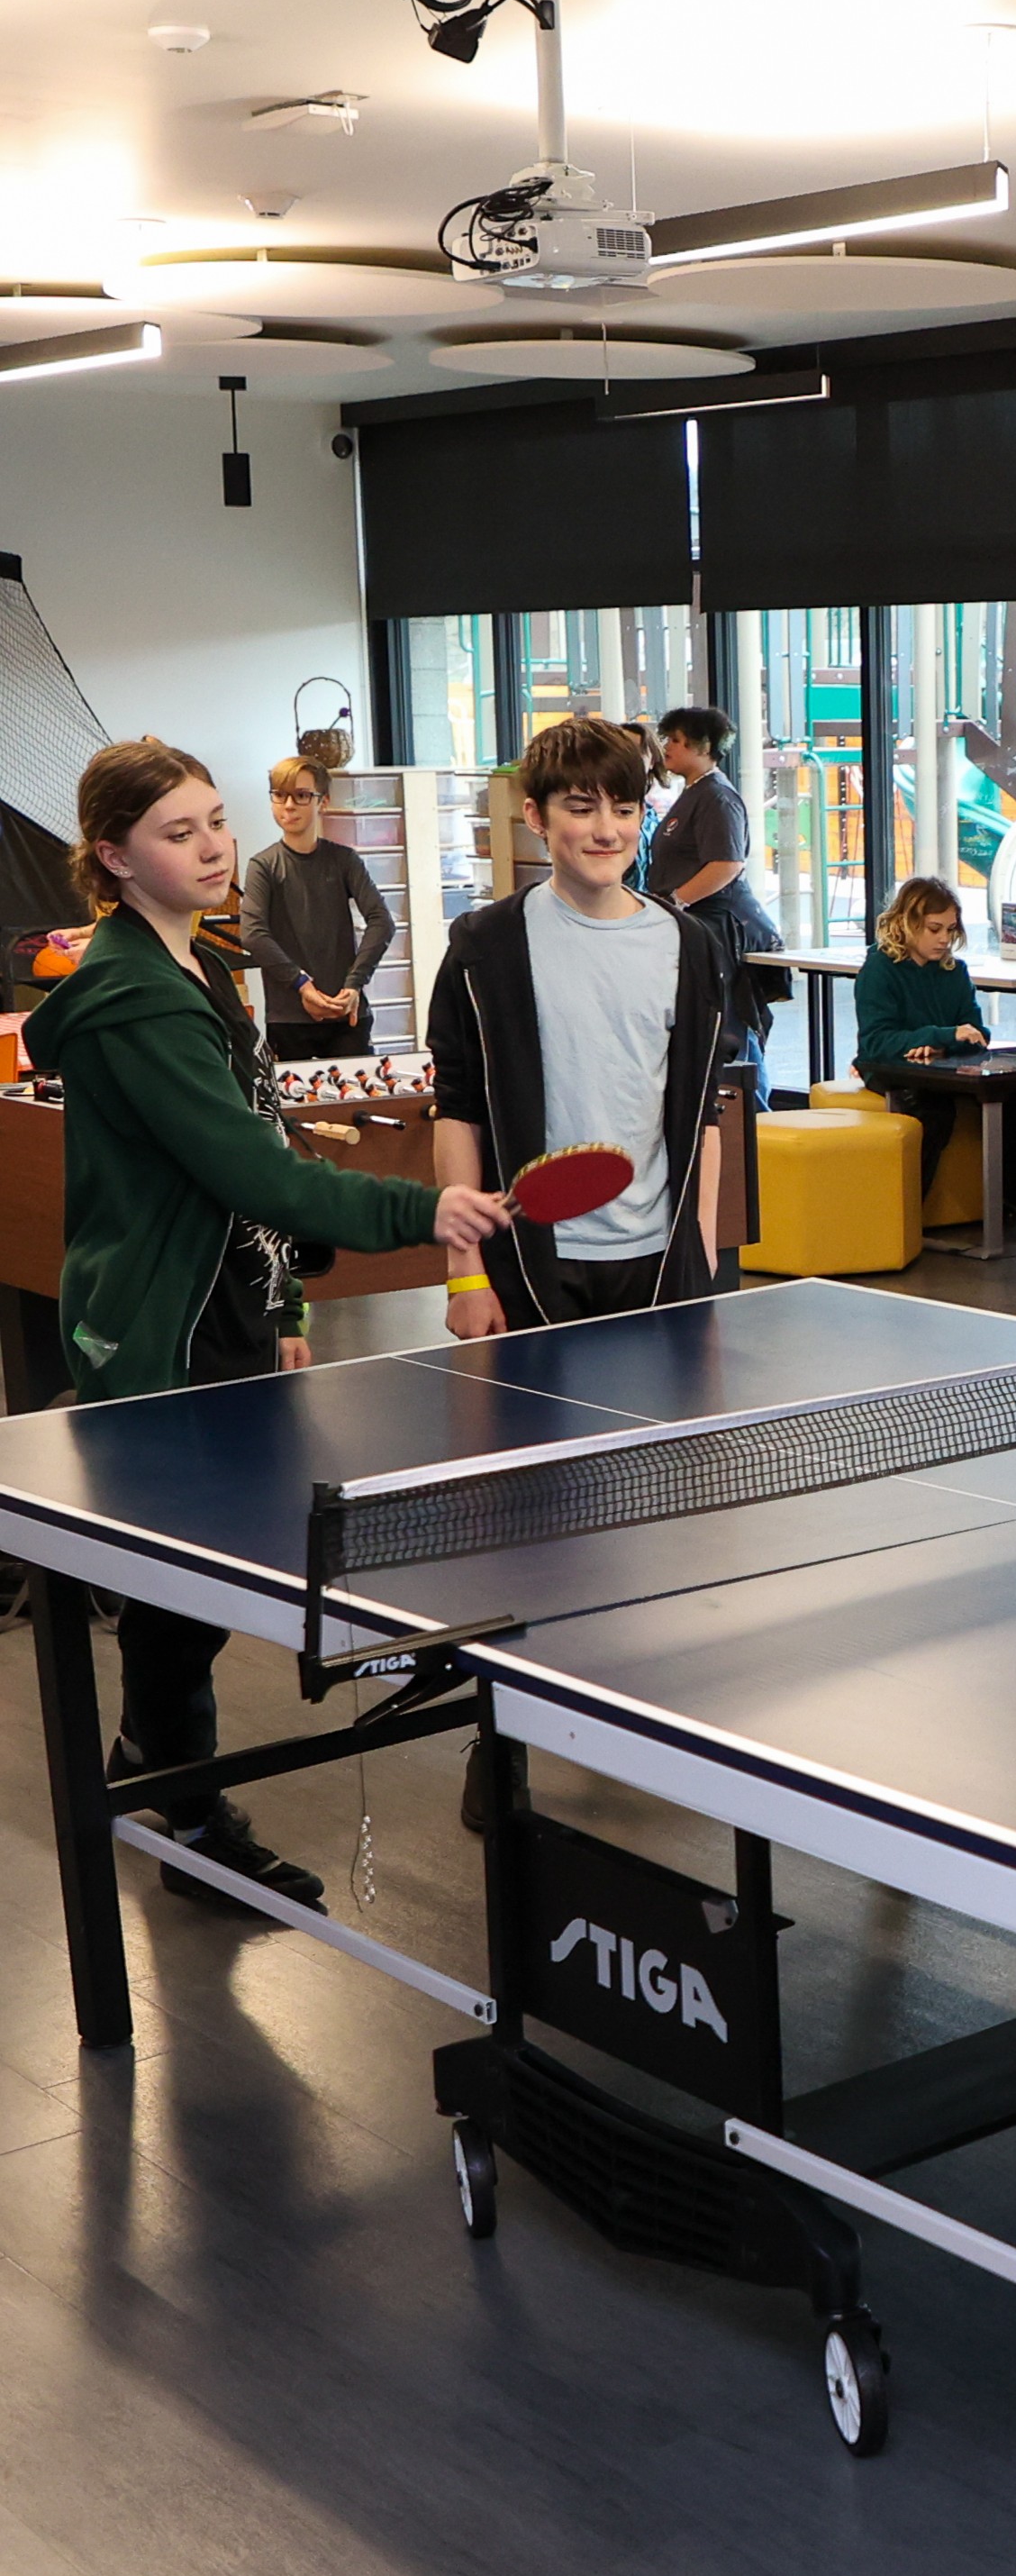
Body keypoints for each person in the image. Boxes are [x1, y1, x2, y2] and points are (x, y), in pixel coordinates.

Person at [24, 740, 506, 1908]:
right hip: (152, 1330)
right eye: (176, 832)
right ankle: (179, 1804)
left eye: (213, 821)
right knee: (174, 1583)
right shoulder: (138, 998)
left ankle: (157, 1771)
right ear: (113, 858)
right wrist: (423, 1206)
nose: (211, 846)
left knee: (187, 1587)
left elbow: (251, 1146)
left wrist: (279, 1297)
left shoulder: (204, 963)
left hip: (219, 1308)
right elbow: (256, 1168)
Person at [427, 712, 727, 1334]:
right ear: (536, 816)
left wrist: (698, 1248)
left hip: (660, 1263)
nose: (606, 831)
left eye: (623, 809)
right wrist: (466, 1271)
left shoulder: (689, 946)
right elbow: (459, 1110)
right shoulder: (484, 947)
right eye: (581, 808)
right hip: (529, 1264)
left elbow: (703, 1114)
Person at [854, 876, 1016, 1212]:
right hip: (897, 1073)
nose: (945, 939)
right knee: (933, 1112)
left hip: (946, 1069)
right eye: (934, 929)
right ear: (907, 923)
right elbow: (877, 1042)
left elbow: (976, 1034)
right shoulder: (879, 970)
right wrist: (941, 1036)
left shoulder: (954, 971)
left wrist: (946, 1042)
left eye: (951, 929)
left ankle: (1011, 1199)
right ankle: (907, 1214)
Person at [647, 704, 785, 1083]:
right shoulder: (693, 793)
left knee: (730, 1030)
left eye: (675, 740)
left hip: (717, 927)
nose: (667, 748)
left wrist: (674, 902)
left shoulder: (717, 797)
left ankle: (754, 1124)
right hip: (694, 924)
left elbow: (726, 865)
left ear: (703, 745)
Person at [241, 752, 394, 1058]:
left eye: (301, 796)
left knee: (356, 1101)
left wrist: (354, 985)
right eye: (280, 795)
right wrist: (302, 986)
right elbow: (253, 934)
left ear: (322, 802)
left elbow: (381, 921)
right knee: (298, 1102)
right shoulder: (263, 865)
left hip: (347, 1011)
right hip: (289, 1017)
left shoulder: (344, 860)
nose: (288, 805)